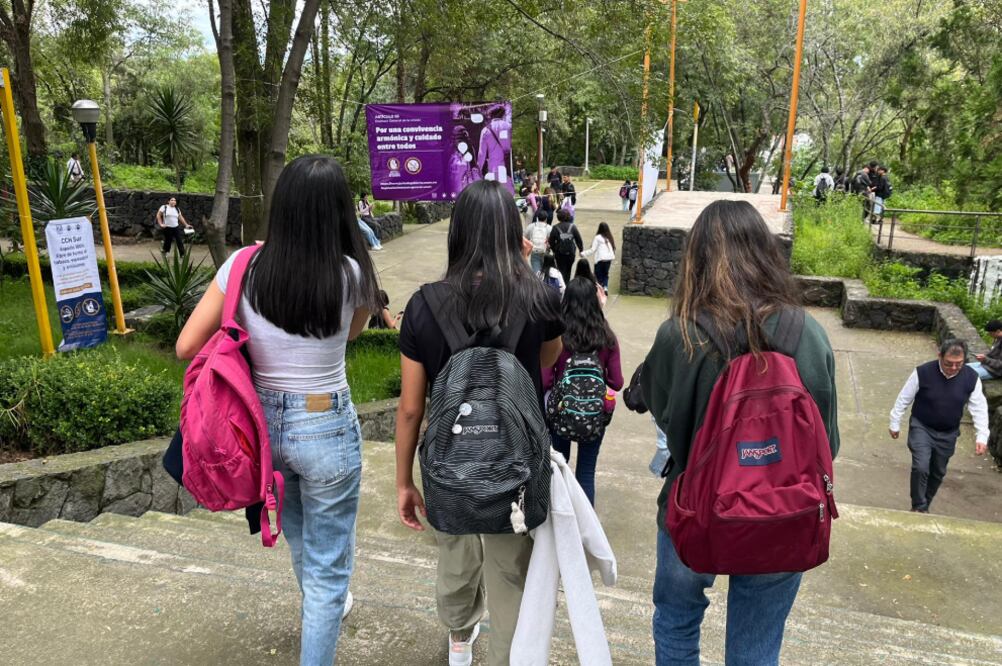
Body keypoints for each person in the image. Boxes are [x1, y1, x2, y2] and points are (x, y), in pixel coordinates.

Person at [176, 155, 381, 666]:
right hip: (327, 423)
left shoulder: (242, 266)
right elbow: (351, 334)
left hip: (260, 427)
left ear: (282, 206)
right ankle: (325, 611)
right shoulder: (354, 274)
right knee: (330, 567)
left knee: (299, 537)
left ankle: (322, 607)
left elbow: (185, 346)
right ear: (338, 211)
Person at [641, 200, 839, 665]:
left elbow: (666, 417)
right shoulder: (808, 334)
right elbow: (828, 443)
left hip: (695, 508)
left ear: (697, 259)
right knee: (756, 646)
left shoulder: (681, 335)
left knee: (676, 619)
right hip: (785, 511)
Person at [395, 179, 563, 666]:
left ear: (458, 233)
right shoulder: (537, 297)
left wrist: (404, 481)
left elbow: (410, 408)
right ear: (514, 233)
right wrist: (528, 273)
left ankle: (460, 635)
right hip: (516, 469)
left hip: (448, 463)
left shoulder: (423, 305)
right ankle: (509, 655)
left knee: (455, 556)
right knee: (510, 570)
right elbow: (548, 363)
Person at [543, 276, 623, 505]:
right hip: (594, 415)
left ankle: (562, 521)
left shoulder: (559, 336)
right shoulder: (607, 338)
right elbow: (616, 382)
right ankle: (585, 531)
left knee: (560, 467)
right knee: (586, 473)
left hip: (561, 411)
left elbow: (546, 378)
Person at [889, 339, 989, 513]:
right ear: (939, 356)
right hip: (922, 426)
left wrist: (982, 436)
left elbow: (979, 408)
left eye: (959, 364)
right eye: (948, 363)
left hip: (948, 433)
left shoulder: (971, 378)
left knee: (938, 472)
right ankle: (918, 506)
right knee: (921, 467)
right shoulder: (923, 372)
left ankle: (925, 504)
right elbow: (904, 398)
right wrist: (895, 422)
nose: (953, 368)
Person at [476, 105, 511, 185]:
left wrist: (479, 170)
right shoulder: (508, 127)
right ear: (503, 115)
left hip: (493, 169)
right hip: (506, 168)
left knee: (494, 193)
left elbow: (482, 154)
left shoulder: (485, 130)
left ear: (491, 116)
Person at [548, 208, 583, 285]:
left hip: (559, 253)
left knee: (561, 269)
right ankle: (566, 284)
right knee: (568, 269)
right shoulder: (573, 227)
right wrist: (581, 250)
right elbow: (578, 239)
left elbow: (551, 241)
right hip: (571, 253)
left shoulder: (555, 227)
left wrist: (554, 250)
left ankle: (561, 285)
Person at [581, 222, 616, 294]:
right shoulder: (609, 237)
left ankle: (599, 291)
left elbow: (592, 250)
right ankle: (605, 287)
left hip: (600, 259)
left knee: (598, 275)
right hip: (608, 259)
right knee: (605, 274)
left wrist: (583, 253)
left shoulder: (598, 238)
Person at [524, 209, 552, 273]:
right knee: (545, 271)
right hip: (545, 252)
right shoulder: (549, 228)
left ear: (537, 217)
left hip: (534, 251)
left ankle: (537, 282)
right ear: (546, 219)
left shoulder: (531, 226)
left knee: (536, 271)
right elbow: (552, 241)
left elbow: (525, 238)